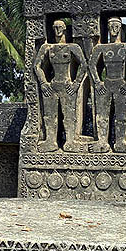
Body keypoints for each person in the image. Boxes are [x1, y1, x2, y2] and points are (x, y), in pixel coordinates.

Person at [34, 20, 87, 152]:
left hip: (67, 85)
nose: (58, 30)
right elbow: (37, 66)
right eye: (55, 27)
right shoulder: (46, 48)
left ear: (64, 29)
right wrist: (43, 83)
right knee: (50, 115)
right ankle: (51, 141)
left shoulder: (72, 47)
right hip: (52, 86)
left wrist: (76, 83)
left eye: (60, 27)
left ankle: (70, 141)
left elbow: (84, 65)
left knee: (69, 115)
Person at [89, 16, 126, 153]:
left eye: (116, 26)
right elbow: (92, 65)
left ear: (121, 28)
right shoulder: (101, 48)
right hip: (106, 84)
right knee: (102, 115)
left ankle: (120, 142)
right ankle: (102, 141)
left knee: (121, 116)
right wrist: (98, 82)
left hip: (120, 84)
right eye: (111, 26)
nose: (113, 29)